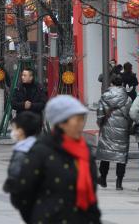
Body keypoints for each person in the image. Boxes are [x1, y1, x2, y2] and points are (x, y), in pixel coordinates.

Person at [11, 95, 101, 223]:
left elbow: (91, 198)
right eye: (77, 119)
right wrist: (39, 216)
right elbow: (22, 194)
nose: (81, 124)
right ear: (61, 122)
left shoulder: (84, 151)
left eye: (82, 119)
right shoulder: (40, 151)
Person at [96, 75, 132, 190]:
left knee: (105, 154)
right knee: (121, 155)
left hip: (108, 127)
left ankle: (103, 179)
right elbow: (130, 115)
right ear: (121, 84)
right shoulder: (128, 98)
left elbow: (100, 113)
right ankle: (119, 183)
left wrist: (100, 123)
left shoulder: (105, 96)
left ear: (111, 83)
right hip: (123, 129)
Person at [3, 111, 42, 215]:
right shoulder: (37, 147)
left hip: (30, 201)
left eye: (14, 128)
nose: (12, 131)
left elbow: (16, 175)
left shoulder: (23, 152)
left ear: (21, 131)